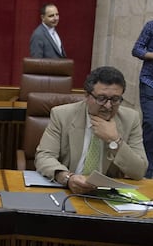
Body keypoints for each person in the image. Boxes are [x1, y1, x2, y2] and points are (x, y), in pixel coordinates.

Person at [35, 66, 148, 194]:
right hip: (68, 190)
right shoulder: (62, 115)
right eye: (101, 98)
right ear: (87, 95)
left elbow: (139, 171)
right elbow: (44, 156)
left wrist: (115, 140)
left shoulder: (131, 118)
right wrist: (67, 178)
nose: (108, 106)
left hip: (106, 195)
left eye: (115, 99)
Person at [132, 21, 153, 178]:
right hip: (149, 83)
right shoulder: (151, 25)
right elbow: (137, 50)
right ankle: (147, 169)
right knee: (150, 123)